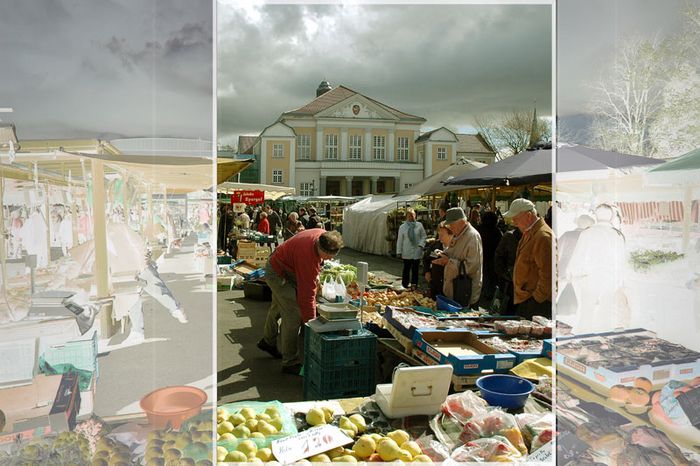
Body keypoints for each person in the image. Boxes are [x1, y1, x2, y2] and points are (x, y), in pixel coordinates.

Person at [258, 229, 344, 375]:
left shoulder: (323, 235)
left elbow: (310, 282)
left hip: (285, 265)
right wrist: (312, 326)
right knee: (293, 315)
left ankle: (267, 341)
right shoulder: (308, 257)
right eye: (327, 257)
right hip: (278, 273)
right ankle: (290, 362)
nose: (327, 260)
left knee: (278, 307)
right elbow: (307, 297)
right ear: (320, 248)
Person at [566, 203, 628, 333]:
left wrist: (572, 273)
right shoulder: (617, 235)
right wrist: (620, 280)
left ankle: (582, 336)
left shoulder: (587, 233)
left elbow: (578, 255)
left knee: (586, 310)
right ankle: (602, 336)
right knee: (606, 311)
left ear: (596, 215)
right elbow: (621, 260)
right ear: (611, 216)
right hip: (610, 279)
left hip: (589, 278)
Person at [503, 198, 553, 319]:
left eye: (516, 217)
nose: (514, 221)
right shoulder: (531, 232)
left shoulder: (542, 236)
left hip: (536, 303)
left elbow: (548, 274)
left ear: (529, 215)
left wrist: (536, 299)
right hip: (527, 298)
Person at [431, 207, 482, 309]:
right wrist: (442, 254)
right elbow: (453, 252)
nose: (450, 227)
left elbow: (472, 267)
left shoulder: (472, 236)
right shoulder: (459, 234)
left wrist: (448, 262)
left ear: (460, 222)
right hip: (454, 289)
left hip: (464, 291)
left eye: (451, 225)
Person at [477, 211, 503, 308]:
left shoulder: (479, 230)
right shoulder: (497, 231)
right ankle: (490, 298)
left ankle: (484, 296)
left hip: (481, 258)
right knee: (491, 279)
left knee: (482, 278)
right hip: (493, 259)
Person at [494, 225, 522, 315]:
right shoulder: (509, 236)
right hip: (509, 284)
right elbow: (498, 257)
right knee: (506, 310)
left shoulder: (533, 237)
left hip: (523, 285)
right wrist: (505, 274)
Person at [396, 208, 427, 289]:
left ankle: (414, 284)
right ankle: (404, 285)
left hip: (417, 251)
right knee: (406, 269)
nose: (411, 217)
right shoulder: (402, 227)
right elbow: (400, 240)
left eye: (413, 215)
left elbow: (424, 236)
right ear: (406, 216)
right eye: (409, 215)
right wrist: (398, 251)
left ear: (415, 216)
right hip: (407, 251)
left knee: (415, 269)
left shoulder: (419, 225)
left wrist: (421, 245)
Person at [422, 221, 453, 298]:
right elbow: (426, 258)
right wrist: (427, 271)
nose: (439, 237)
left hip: (450, 286)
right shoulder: (435, 245)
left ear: (451, 234)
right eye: (439, 234)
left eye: (442, 235)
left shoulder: (456, 248)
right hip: (435, 284)